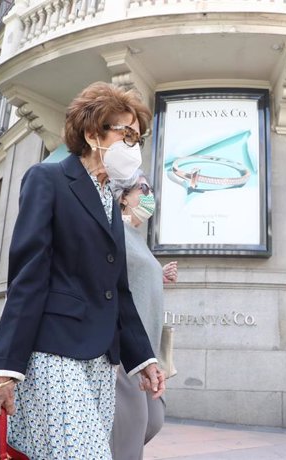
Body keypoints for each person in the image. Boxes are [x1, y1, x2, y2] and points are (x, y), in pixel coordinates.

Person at [0, 82, 165, 459]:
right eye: (125, 133)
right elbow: (27, 277)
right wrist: (2, 371)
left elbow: (119, 291)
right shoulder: (46, 179)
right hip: (54, 353)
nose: (133, 146)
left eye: (138, 137)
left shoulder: (111, 202)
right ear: (92, 132)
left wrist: (143, 358)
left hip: (101, 362)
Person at [109, 171, 177, 459]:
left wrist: (157, 274)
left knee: (153, 419)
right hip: (125, 347)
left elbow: (132, 277)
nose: (149, 197)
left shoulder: (138, 238)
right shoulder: (114, 229)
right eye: (143, 189)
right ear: (123, 197)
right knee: (133, 426)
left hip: (147, 349)